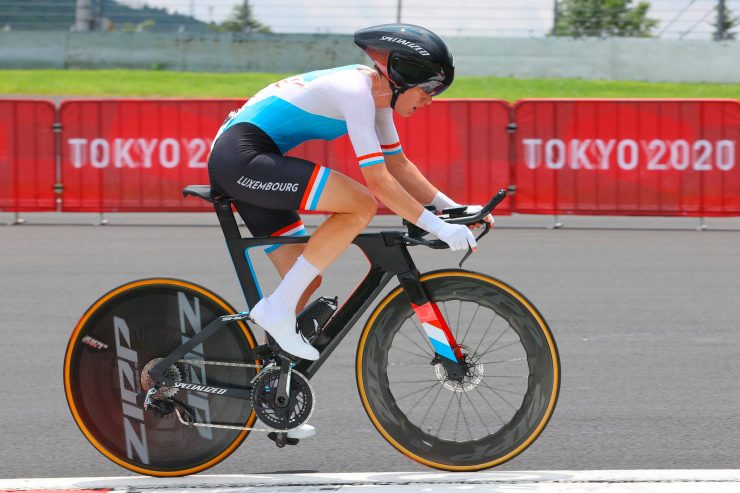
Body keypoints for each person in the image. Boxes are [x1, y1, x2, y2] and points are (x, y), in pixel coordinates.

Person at [208, 23, 493, 365]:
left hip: (251, 161)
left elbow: (399, 165)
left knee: (304, 282)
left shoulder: (378, 97)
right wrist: (440, 228)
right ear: (402, 76)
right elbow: (379, 181)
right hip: (241, 158)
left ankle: (271, 388)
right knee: (360, 204)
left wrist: (453, 208)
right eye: (430, 87)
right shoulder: (356, 90)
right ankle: (276, 310)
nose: (431, 100)